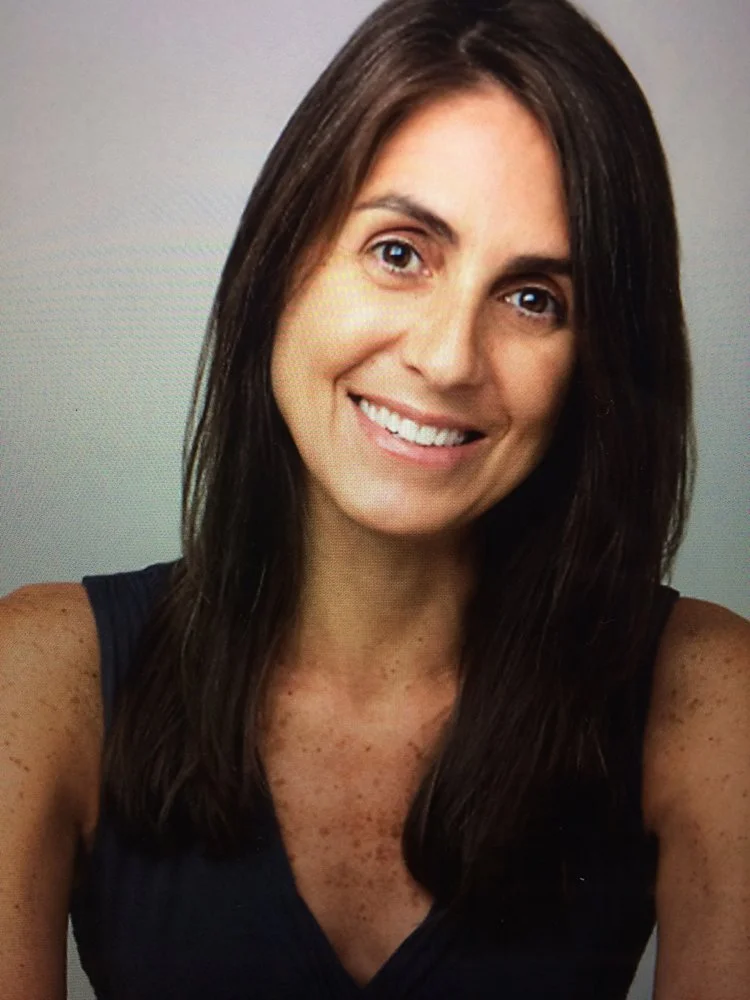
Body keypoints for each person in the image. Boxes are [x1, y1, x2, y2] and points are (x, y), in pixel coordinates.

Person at [1, 0, 748, 996]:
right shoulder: (42, 676)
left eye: (534, 298)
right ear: (282, 262)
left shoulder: (708, 699)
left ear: (596, 363)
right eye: (400, 252)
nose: (447, 357)